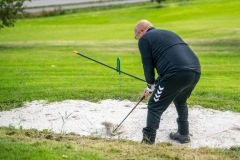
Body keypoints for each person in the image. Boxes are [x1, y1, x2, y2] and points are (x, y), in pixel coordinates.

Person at [134, 20, 201, 144]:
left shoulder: (145, 39)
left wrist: (150, 85)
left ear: (141, 32)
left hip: (175, 73)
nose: (137, 39)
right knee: (180, 100)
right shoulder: (168, 33)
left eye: (136, 36)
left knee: (154, 105)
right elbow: (166, 71)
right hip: (195, 71)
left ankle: (148, 140)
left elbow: (147, 66)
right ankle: (183, 133)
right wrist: (153, 86)